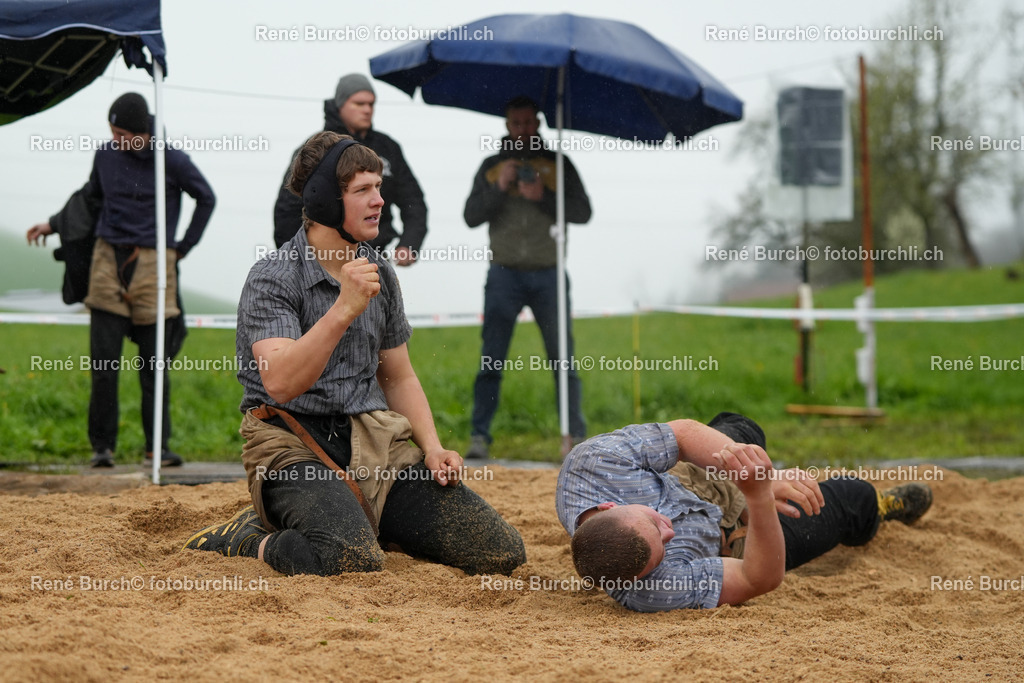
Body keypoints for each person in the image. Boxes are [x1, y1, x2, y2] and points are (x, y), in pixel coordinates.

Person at [183, 132, 525, 577]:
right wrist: (343, 308)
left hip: (374, 441)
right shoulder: (272, 277)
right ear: (327, 202)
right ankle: (248, 536)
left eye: (379, 187)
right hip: (291, 443)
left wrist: (434, 447)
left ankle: (358, 516)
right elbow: (281, 382)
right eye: (363, 190)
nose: (379, 200)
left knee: (498, 551)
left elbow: (398, 377)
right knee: (350, 559)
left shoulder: (379, 269)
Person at [557, 412, 933, 611]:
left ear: (610, 506)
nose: (669, 530)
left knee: (740, 428)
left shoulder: (590, 464)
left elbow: (685, 434)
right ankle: (880, 510)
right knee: (855, 497)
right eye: (664, 547)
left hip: (692, 483)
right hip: (730, 542)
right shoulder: (650, 592)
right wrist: (759, 499)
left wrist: (758, 476)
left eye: (655, 523)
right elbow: (757, 578)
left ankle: (762, 469)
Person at [26, 92, 215, 468]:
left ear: (143, 132)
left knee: (154, 365)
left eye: (123, 133)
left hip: (153, 266)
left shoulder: (171, 160)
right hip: (106, 261)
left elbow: (206, 198)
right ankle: (102, 448)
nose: (117, 140)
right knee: (104, 363)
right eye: (113, 132)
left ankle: (156, 448)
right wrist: (53, 222)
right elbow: (89, 197)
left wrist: (181, 248)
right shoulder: (105, 155)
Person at [464, 96, 592, 459]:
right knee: (491, 358)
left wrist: (544, 196)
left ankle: (575, 438)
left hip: (549, 273)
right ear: (507, 125)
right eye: (515, 123)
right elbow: (471, 216)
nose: (522, 129)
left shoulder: (558, 164)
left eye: (528, 123)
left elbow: (583, 211)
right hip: (503, 274)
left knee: (562, 359)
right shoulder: (491, 166)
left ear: (538, 123)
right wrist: (498, 188)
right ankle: (479, 438)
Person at [272, 73, 427, 265]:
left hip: (375, 258)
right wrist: (294, 262)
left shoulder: (388, 148)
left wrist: (409, 244)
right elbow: (287, 209)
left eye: (371, 104)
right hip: (323, 261)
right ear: (340, 104)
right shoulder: (317, 151)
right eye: (359, 104)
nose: (367, 110)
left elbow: (413, 200)